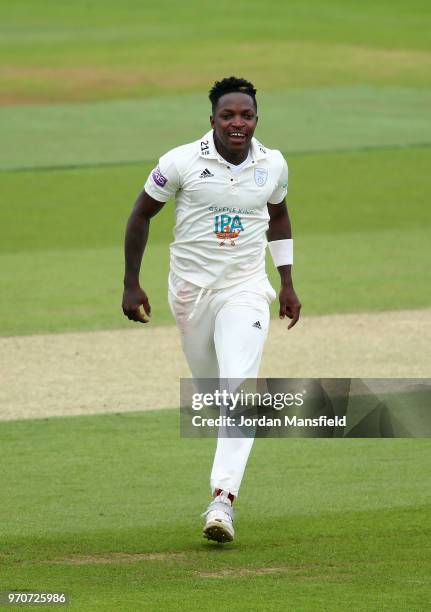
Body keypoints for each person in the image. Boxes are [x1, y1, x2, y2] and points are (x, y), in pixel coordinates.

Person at [122, 76, 301, 543]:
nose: (237, 124)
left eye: (246, 116)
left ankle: (222, 501)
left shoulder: (273, 164)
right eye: (228, 116)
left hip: (244, 288)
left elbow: (278, 217)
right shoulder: (179, 161)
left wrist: (285, 282)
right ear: (213, 120)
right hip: (190, 292)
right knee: (215, 396)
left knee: (238, 392)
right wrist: (130, 283)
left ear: (256, 119)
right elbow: (141, 214)